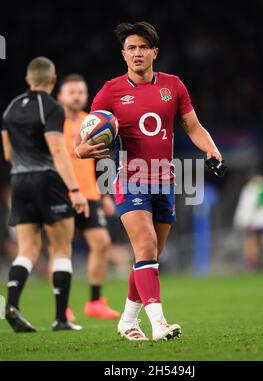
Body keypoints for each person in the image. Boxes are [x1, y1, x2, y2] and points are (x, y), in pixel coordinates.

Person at [75, 22, 222, 341]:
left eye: (143, 47)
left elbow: (192, 126)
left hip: (165, 181)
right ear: (123, 54)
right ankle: (160, 324)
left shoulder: (174, 86)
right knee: (144, 246)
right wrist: (81, 148)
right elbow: (85, 133)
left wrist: (211, 148)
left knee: (149, 256)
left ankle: (127, 321)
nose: (138, 53)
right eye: (131, 48)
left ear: (154, 52)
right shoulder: (111, 90)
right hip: (129, 178)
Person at [0, 57, 107, 332]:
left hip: (19, 181)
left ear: (27, 80)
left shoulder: (10, 109)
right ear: (52, 80)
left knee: (27, 250)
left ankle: (11, 304)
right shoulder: (51, 108)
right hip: (47, 181)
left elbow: (9, 154)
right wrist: (75, 190)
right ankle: (61, 318)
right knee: (61, 248)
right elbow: (59, 152)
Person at [49, 74, 119, 320]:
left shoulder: (91, 124)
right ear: (60, 96)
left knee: (102, 243)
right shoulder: (52, 124)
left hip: (89, 193)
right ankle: (63, 307)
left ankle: (95, 301)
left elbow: (100, 161)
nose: (77, 96)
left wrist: (105, 194)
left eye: (81, 92)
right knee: (61, 249)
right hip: (60, 193)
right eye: (72, 92)